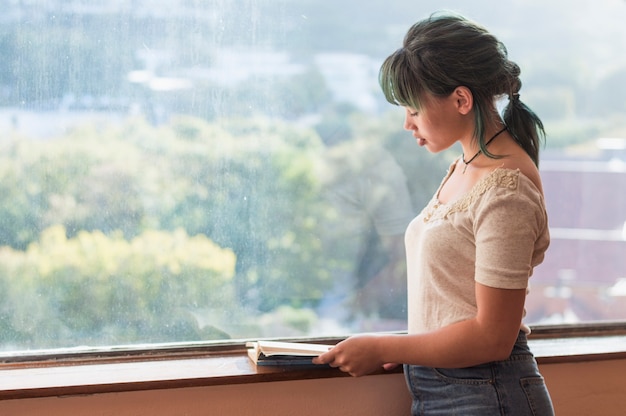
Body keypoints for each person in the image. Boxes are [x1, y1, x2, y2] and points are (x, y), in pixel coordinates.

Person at [313, 12, 555, 416]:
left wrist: (384, 346)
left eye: (412, 108)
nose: (407, 123)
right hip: (447, 389)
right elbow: (453, 303)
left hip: (487, 394)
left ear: (461, 99)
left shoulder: (506, 188)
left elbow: (493, 337)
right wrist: (408, 347)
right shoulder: (467, 166)